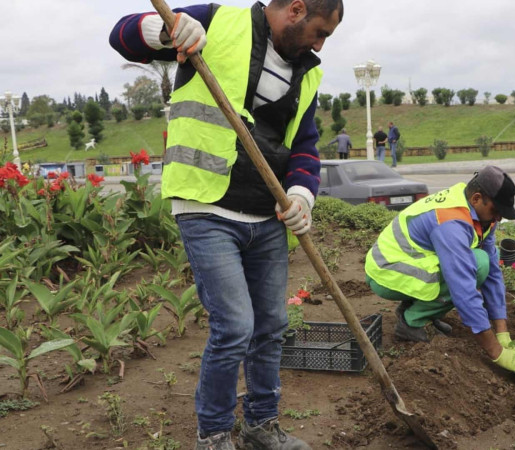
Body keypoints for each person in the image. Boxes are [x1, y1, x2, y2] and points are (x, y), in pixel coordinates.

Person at [110, 1, 343, 449]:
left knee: (271, 324)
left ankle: (260, 425)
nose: (319, 44)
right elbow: (121, 36)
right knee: (235, 326)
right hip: (205, 204)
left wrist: (301, 195)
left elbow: (306, 148)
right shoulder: (216, 22)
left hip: (267, 215)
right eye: (319, 32)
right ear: (295, 9)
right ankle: (214, 435)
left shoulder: (307, 72)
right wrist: (166, 29)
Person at [364, 166, 515, 381]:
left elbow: (493, 271)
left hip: (409, 266)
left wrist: (502, 332)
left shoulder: (481, 216)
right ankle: (411, 321)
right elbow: (463, 290)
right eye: (495, 210)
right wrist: (497, 353)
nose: (498, 218)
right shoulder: (452, 222)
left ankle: (418, 307)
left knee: (483, 264)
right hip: (386, 272)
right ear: (476, 198)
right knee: (474, 268)